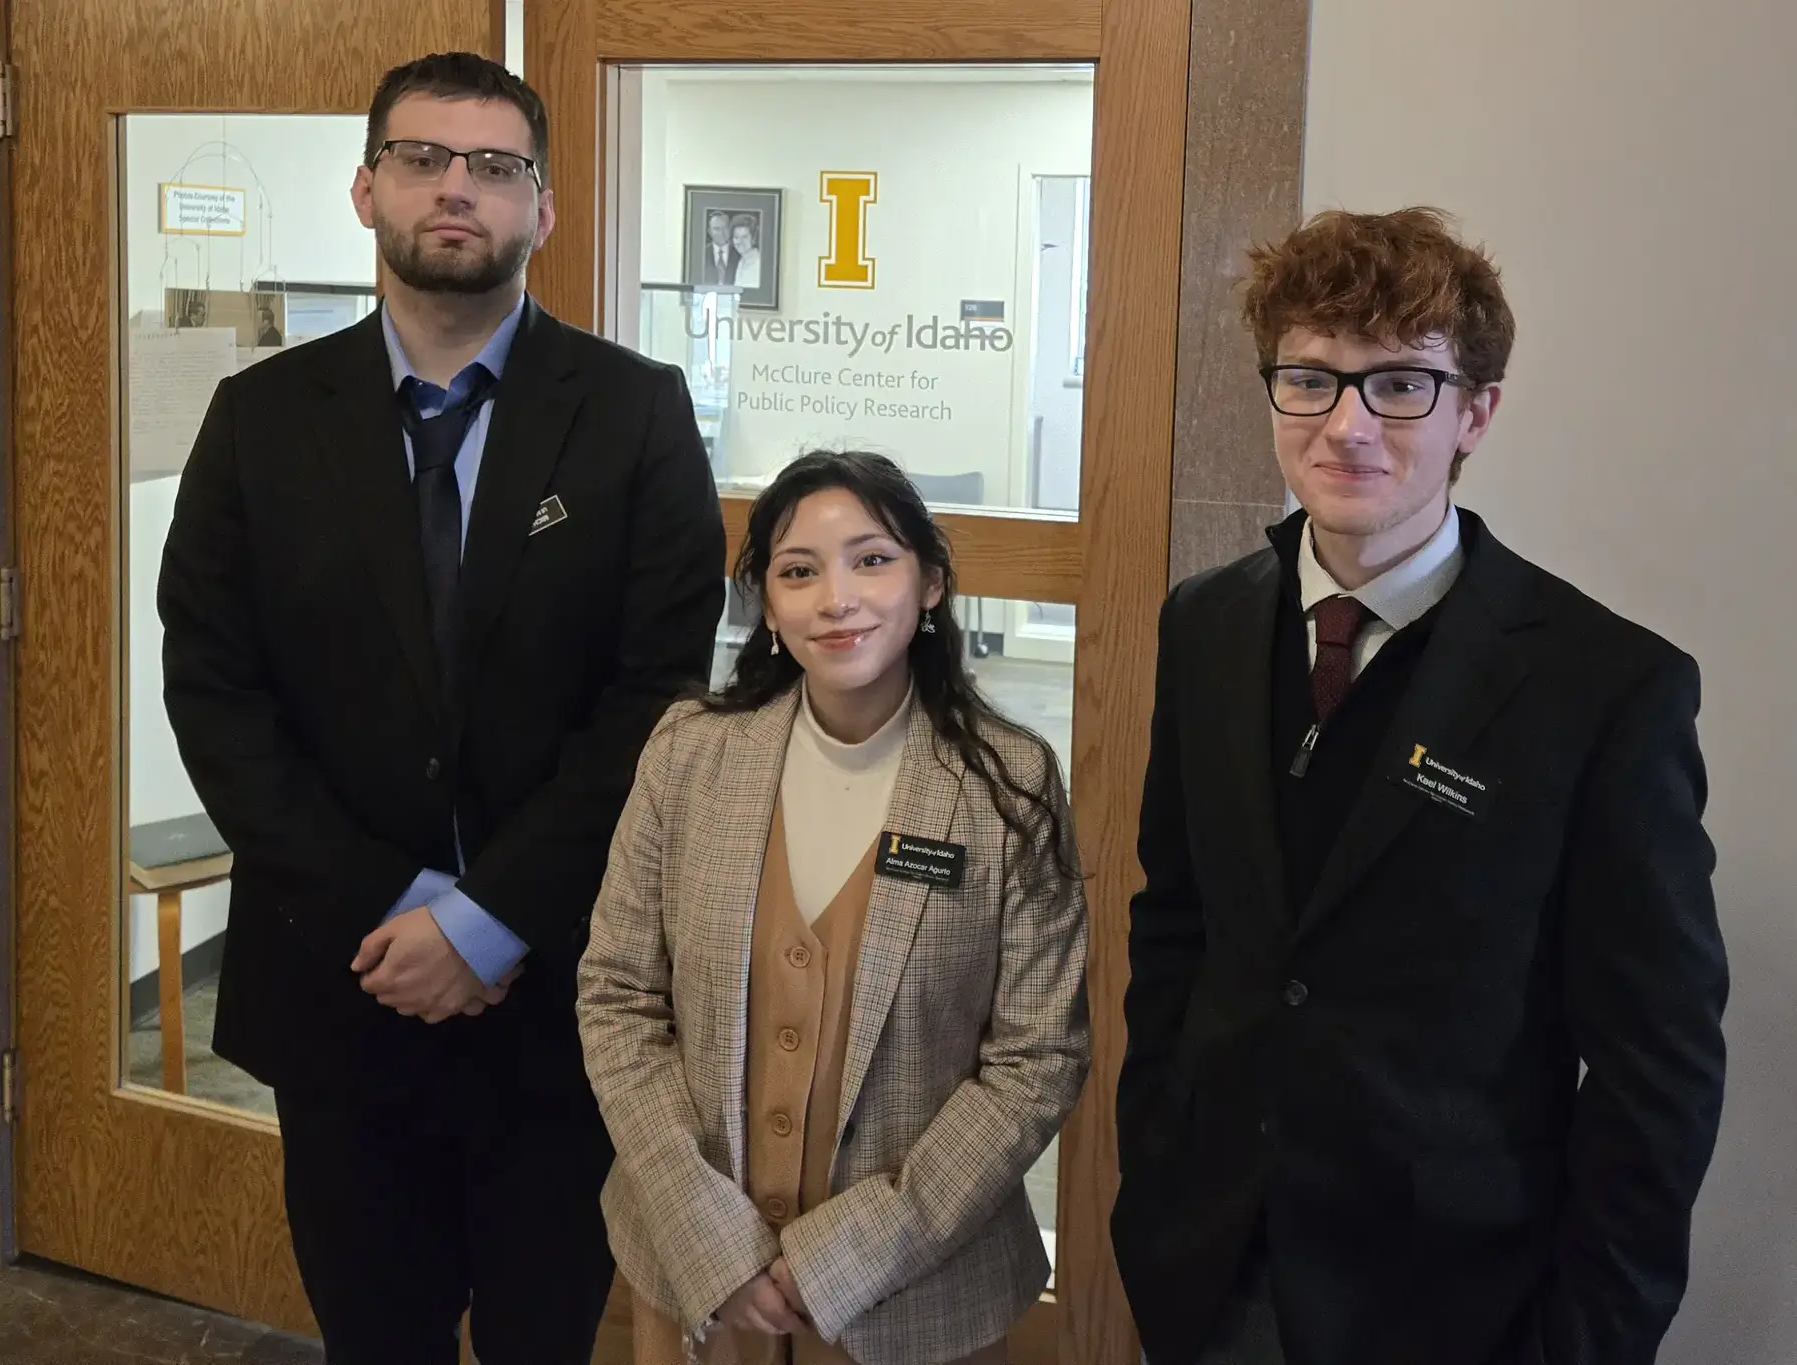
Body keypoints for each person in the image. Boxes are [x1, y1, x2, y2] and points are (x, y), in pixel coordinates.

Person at [158, 51, 725, 1365]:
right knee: (376, 1338)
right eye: (421, 159)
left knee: (546, 1337)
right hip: (341, 985)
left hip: (566, 998)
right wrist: (397, 911)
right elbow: (216, 687)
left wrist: (488, 916)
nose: (454, 189)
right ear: (367, 188)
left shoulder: (636, 415)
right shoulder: (260, 420)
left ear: (542, 208)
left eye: (493, 166)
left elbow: (659, 694)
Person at [1112, 208, 1728, 1365]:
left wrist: (1584, 1342)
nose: (1346, 425)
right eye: (1310, 378)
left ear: (1473, 415)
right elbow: (1176, 922)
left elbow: (1660, 1070)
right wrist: (1151, 1165)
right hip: (1207, 1269)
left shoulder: (1604, 689)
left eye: (1398, 384)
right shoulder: (1202, 625)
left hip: (1461, 1305)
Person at [579, 450, 1089, 1365]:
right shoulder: (689, 757)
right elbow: (616, 995)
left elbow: (1036, 1056)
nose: (836, 597)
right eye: (798, 571)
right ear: (767, 605)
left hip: (917, 1303)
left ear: (931, 583)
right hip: (700, 1288)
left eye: (873, 559)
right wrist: (705, 1235)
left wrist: (850, 1255)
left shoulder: (1006, 784)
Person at [702, 210, 739, 286]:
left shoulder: (740, 253)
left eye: (725, 228)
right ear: (709, 231)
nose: (722, 232)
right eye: (717, 229)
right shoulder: (701, 254)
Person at [731, 216, 763, 291]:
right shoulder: (738, 263)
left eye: (744, 237)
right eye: (736, 237)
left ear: (753, 238)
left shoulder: (761, 263)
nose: (739, 241)